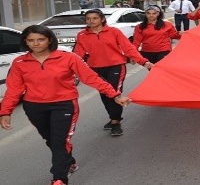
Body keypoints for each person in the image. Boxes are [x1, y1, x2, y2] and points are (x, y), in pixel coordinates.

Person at [0, 25, 131, 185]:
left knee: (59, 141)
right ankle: (69, 162)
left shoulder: (68, 57)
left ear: (49, 40)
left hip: (64, 105)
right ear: (25, 42)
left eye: (40, 39)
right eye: (31, 40)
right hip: (34, 107)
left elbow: (91, 77)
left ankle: (59, 178)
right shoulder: (20, 62)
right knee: (50, 139)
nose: (35, 43)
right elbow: (14, 89)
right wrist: (5, 112)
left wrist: (115, 95)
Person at [72, 9, 153, 136]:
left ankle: (116, 122)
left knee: (114, 93)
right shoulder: (82, 35)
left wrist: (144, 62)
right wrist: (71, 69)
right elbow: (78, 54)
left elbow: (128, 48)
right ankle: (113, 117)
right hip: (95, 68)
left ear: (102, 19)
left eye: (95, 18)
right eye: (88, 19)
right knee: (105, 94)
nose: (91, 21)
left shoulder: (114, 32)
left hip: (116, 66)